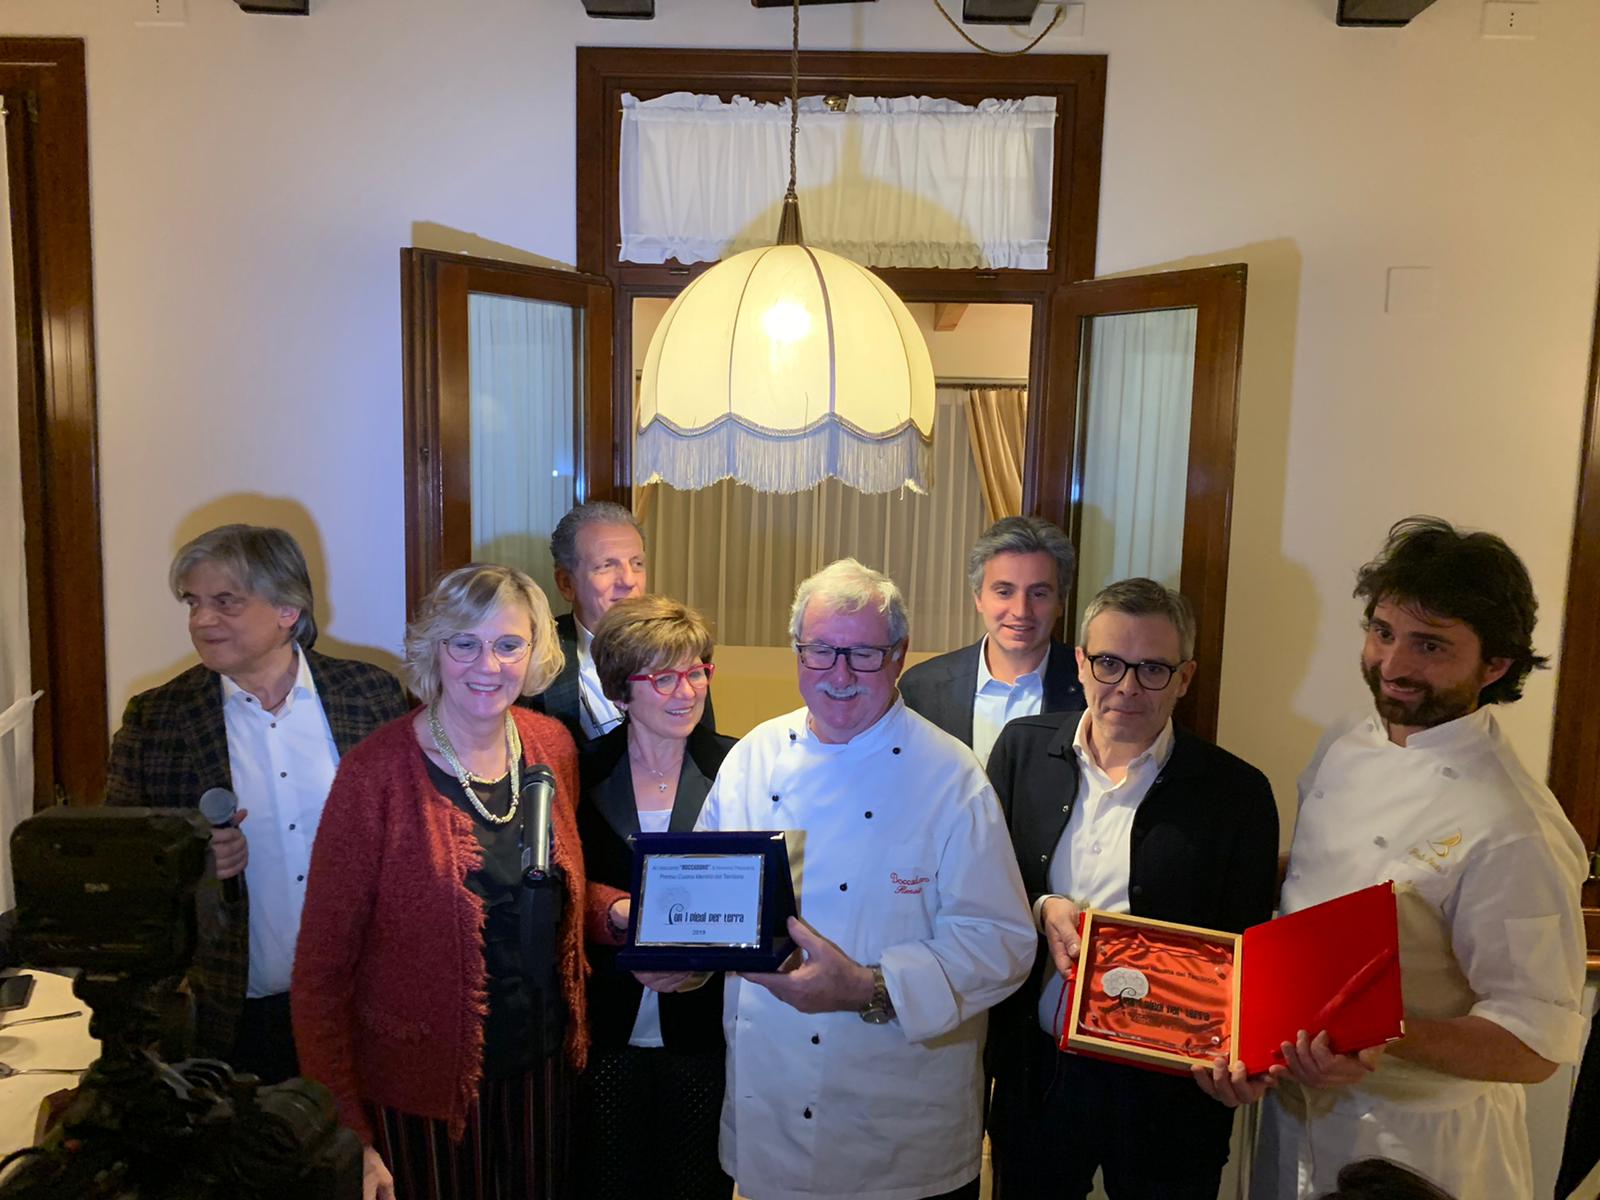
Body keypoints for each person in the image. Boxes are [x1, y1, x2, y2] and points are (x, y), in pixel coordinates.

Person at [1197, 517, 1587, 1200]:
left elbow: (1535, 1045)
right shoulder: (1346, 741)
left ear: (1496, 666)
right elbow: (1319, 882)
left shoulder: (1515, 826)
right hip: (1293, 1114)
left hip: (1418, 1147)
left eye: (1430, 645)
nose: (1393, 665)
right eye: (1383, 632)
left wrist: (1381, 1034)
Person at [670, 557, 1035, 1200]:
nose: (839, 675)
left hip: (901, 1128)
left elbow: (1001, 943)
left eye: (863, 654)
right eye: (820, 651)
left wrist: (868, 986)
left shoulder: (952, 778)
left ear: (898, 656)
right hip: (772, 1113)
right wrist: (681, 960)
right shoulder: (752, 758)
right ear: (798, 652)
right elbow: (706, 899)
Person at [292, 564, 620, 1200]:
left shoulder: (551, 746)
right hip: (421, 1097)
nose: (487, 665)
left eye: (508, 644)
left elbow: (551, 894)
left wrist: (620, 913)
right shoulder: (374, 777)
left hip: (543, 1072)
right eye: (464, 643)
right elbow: (320, 975)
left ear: (534, 651)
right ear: (434, 650)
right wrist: (350, 1135)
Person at [985, 577, 1279, 1199]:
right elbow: (984, 883)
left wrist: (1245, 1055)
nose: (1126, 686)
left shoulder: (1237, 793)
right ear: (1080, 664)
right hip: (1040, 1069)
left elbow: (1249, 946)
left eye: (1152, 669)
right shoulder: (1020, 751)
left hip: (1170, 1089)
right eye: (1110, 663)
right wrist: (1042, 907)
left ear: (1185, 678)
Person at [105, 524, 407, 1080]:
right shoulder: (156, 719)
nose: (201, 620)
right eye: (193, 602)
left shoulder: (371, 695)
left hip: (365, 1005)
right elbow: (117, 873)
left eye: (226, 602)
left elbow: (413, 838)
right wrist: (191, 864)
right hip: (230, 1019)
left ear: (288, 609)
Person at [574, 595, 735, 1199]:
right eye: (664, 678)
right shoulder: (578, 770)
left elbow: (765, 892)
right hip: (605, 1026)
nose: (687, 692)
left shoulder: (738, 765)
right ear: (621, 691)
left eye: (697, 671)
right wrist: (621, 923)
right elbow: (561, 887)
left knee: (696, 1184)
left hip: (706, 1028)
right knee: (608, 1181)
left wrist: (702, 961)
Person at [900, 516, 1083, 766]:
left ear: (1061, 601)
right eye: (1004, 592)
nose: (1021, 611)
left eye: (1039, 594)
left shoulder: (1091, 688)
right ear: (978, 597)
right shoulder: (922, 688)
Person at [533, 500, 715, 747]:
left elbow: (702, 751)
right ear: (566, 583)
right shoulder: (537, 657)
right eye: (606, 566)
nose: (628, 581)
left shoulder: (679, 649)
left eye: (637, 564)